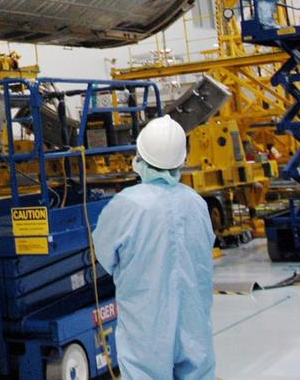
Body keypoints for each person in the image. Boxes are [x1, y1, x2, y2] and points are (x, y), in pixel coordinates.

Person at [91, 115, 215, 380]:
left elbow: (104, 253)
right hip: (193, 322)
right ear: (182, 160)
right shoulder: (196, 204)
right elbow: (206, 250)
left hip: (147, 324)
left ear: (140, 157)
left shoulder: (126, 205)